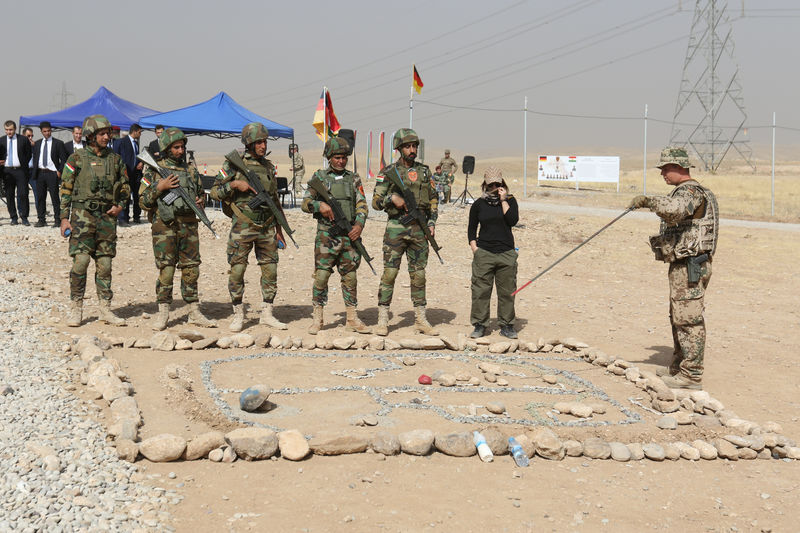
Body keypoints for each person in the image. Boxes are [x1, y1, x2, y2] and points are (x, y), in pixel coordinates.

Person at [628, 146, 718, 390]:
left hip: (691, 265)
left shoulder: (691, 192)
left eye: (666, 169)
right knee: (678, 316)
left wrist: (649, 201)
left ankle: (691, 376)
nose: (662, 174)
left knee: (688, 318)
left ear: (679, 168)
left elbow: (675, 210)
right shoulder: (687, 191)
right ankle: (678, 367)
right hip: (684, 264)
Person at [210, 122, 287, 332]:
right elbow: (214, 192)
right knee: (237, 270)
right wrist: (234, 185)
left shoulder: (269, 166)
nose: (263, 145)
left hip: (267, 227)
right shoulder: (233, 165)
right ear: (249, 143)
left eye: (265, 141)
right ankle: (238, 314)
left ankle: (267, 313)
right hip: (243, 227)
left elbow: (275, 200)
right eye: (259, 142)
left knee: (270, 270)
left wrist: (280, 229)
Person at [139, 127, 216, 331]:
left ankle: (193, 311)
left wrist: (201, 200)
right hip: (165, 227)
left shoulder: (190, 170)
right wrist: (159, 187)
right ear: (167, 148)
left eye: (182, 147)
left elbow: (201, 194)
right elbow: (142, 202)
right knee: (167, 269)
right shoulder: (153, 170)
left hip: (189, 226)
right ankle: (163, 312)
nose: (181, 151)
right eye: (176, 147)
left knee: (192, 269)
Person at [59, 114, 130, 327]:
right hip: (81, 217)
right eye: (102, 133)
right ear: (91, 135)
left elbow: (125, 186)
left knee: (105, 264)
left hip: (106, 219)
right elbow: (65, 189)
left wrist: (120, 206)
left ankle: (105, 309)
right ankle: (76, 308)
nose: (107, 136)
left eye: (108, 133)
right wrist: (64, 218)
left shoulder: (116, 159)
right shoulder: (76, 159)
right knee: (80, 263)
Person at [371, 128, 439, 336]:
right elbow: (375, 202)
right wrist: (392, 199)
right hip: (396, 228)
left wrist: (432, 222)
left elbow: (434, 198)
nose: (412, 150)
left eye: (414, 146)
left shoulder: (425, 172)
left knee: (418, 275)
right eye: (408, 146)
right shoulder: (388, 172)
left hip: (420, 230)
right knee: (390, 273)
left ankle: (420, 318)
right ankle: (383, 318)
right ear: (399, 148)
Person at [300, 137, 370, 335]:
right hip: (327, 236)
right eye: (337, 157)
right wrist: (318, 205)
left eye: (344, 157)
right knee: (321, 276)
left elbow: (362, 203)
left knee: (350, 276)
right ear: (329, 157)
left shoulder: (353, 178)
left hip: (349, 235)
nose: (341, 161)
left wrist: (359, 224)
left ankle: (351, 317)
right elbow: (305, 203)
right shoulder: (319, 178)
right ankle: (318, 318)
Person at [467, 167, 520, 339]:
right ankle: (480, 325)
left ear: (502, 184)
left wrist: (504, 200)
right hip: (484, 253)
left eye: (498, 184)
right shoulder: (478, 204)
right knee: (481, 291)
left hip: (506, 253)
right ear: (485, 185)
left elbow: (512, 220)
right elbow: (471, 228)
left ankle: (507, 325)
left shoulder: (510, 201)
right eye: (491, 185)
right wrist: (475, 249)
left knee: (507, 292)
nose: (495, 188)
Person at [32, 121, 67, 227]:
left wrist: (59, 171)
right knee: (40, 197)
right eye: (44, 131)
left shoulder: (58, 143)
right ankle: (41, 219)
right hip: (40, 173)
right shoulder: (38, 144)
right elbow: (35, 158)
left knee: (54, 197)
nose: (47, 133)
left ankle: (57, 220)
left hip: (52, 173)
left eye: (48, 131)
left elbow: (64, 159)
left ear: (51, 131)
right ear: (41, 132)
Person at [2, 120, 33, 225]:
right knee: (9, 195)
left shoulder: (23, 140)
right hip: (7, 171)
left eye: (10, 130)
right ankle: (13, 217)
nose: (8, 132)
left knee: (23, 194)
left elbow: (28, 154)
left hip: (20, 171)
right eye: (6, 130)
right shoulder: (1, 140)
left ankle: (24, 217)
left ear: (14, 129)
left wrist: (23, 163)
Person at [115, 123, 144, 225]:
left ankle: (136, 216)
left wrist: (140, 163)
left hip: (136, 175)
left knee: (137, 196)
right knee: (125, 196)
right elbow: (120, 158)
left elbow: (135, 157)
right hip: (126, 174)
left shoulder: (136, 144)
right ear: (135, 131)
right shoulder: (122, 142)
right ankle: (123, 219)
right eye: (139, 132)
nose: (140, 134)